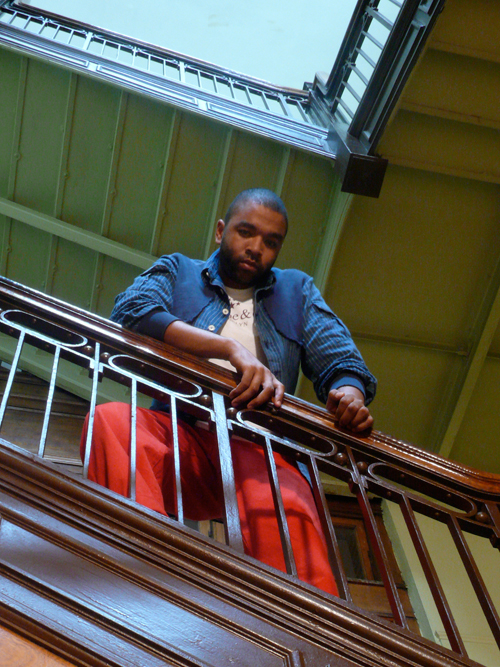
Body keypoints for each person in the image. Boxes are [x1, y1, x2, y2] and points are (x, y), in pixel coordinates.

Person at [81, 188, 376, 596]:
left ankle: (297, 622)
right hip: (181, 429)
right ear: (221, 231)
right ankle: (137, 574)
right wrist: (229, 349)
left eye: (271, 242)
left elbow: (340, 358)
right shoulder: (180, 270)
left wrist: (349, 393)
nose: (256, 248)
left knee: (288, 502)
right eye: (246, 232)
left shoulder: (296, 290)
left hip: (259, 444)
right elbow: (132, 310)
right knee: (112, 421)